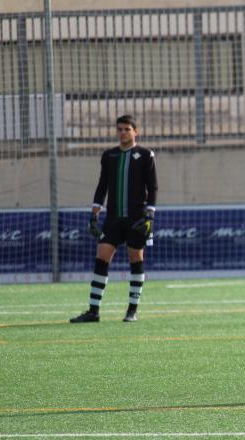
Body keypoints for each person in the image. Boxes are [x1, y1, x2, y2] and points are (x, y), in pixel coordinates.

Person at [70, 114, 158, 323]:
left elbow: (152, 186)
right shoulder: (109, 155)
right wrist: (95, 212)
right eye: (119, 129)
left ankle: (132, 310)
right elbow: (102, 186)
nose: (122, 133)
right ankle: (93, 311)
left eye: (127, 129)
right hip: (113, 217)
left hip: (137, 217)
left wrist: (150, 214)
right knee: (102, 256)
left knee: (135, 258)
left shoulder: (146, 155)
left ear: (135, 131)